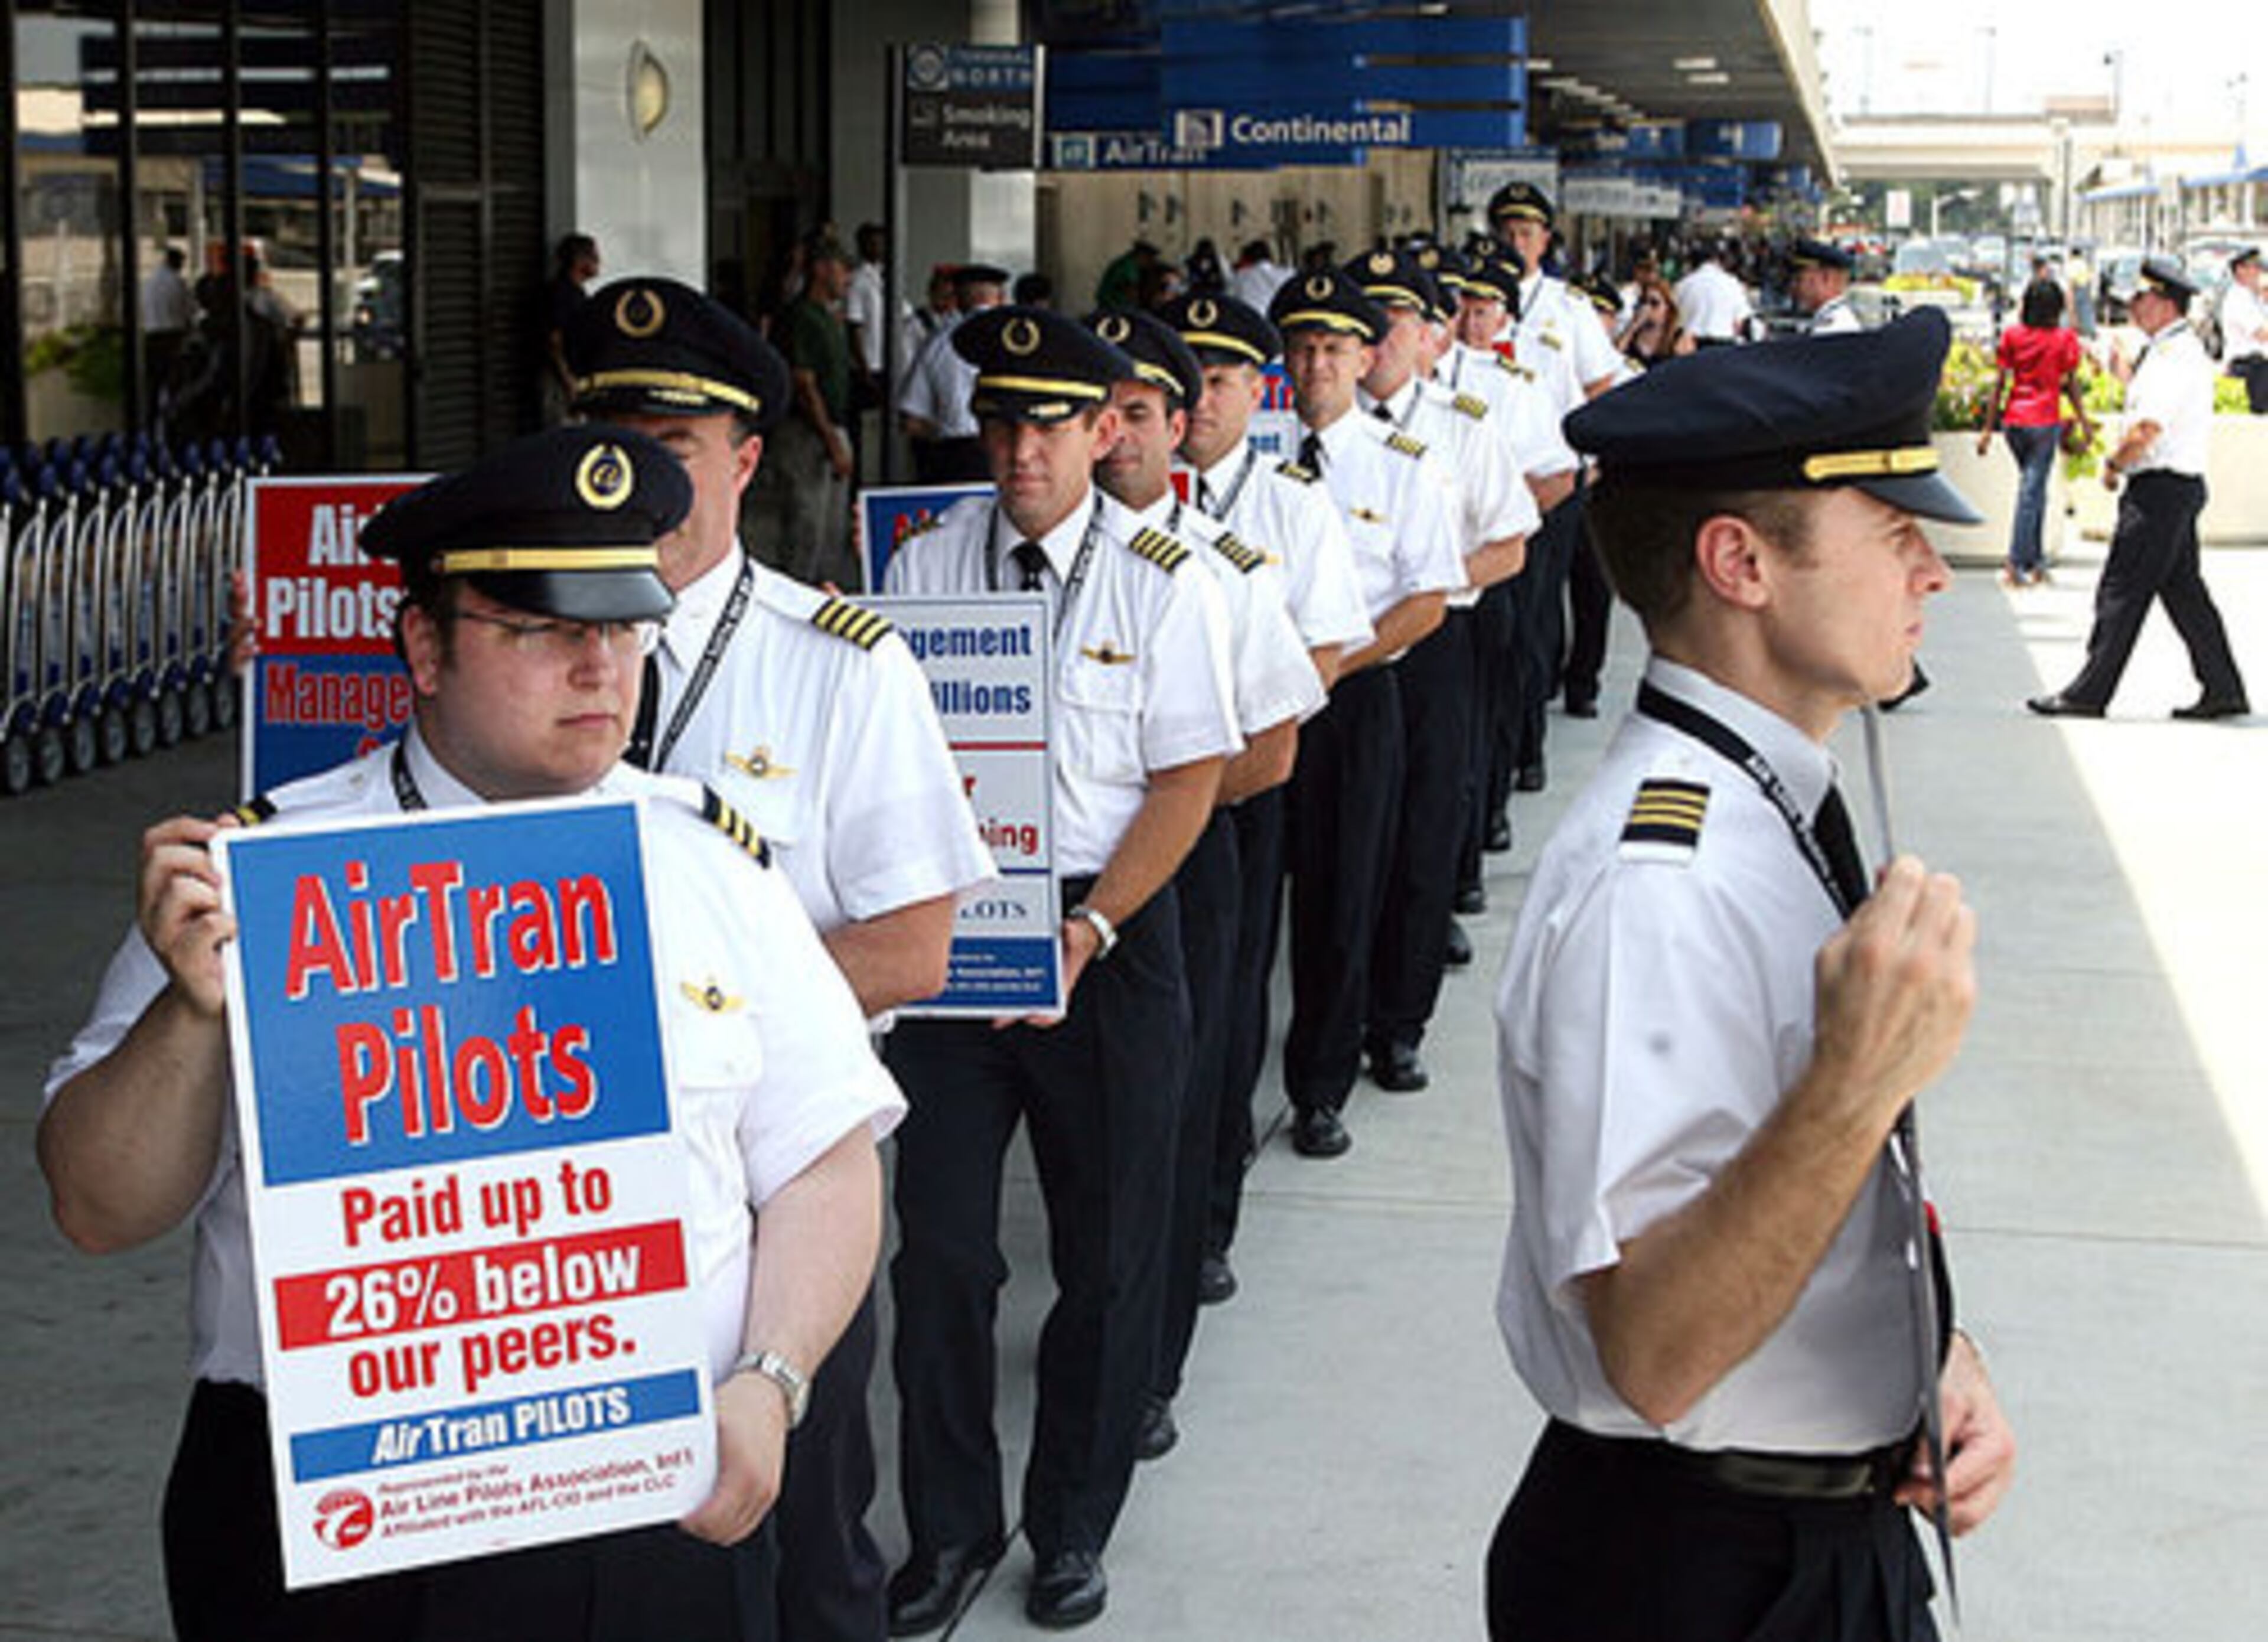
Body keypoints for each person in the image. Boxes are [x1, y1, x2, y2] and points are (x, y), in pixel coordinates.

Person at [37, 423, 902, 1642]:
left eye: (624, 625)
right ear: (425, 647)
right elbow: (97, 1204)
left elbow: (822, 1156)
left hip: (647, 1493)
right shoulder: (268, 872)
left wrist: (772, 1380)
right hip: (325, 1517)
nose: (602, 668)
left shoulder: (710, 862)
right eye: (547, 628)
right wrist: (193, 1014)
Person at [1488, 309, 2017, 1641]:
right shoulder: (1661, 882)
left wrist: (1923, 1355)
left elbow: (1777, 1192)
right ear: (1740, 563)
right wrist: (1857, 1079)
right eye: (1894, 532)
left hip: (1814, 1516)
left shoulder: (1764, 797)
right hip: (1706, 1573)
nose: (1933, 570)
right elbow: (1657, 1352)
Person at [565, 275, 994, 1642]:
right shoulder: (517, 656)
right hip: (557, 1193)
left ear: (747, 461)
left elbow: (915, 947)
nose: (634, 484)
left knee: (804, 1538)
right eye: (610, 446)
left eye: (674, 454)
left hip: (774, 1184)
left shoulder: (840, 668)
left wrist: (678, 1034)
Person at [879, 306, 1240, 1633]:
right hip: (960, 953)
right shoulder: (918, 571)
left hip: (1110, 940)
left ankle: (1073, 1524)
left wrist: (1091, 931)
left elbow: (1189, 777)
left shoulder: (1163, 579)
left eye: (1047, 423)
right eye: (999, 422)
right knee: (944, 1260)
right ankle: (950, 1529)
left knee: (1109, 1252)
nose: (1019, 449)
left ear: (1104, 431)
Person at [1081, 308, 1321, 1467]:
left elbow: (1271, 752)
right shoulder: (1003, 557)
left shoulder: (1222, 569)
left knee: (1174, 1119)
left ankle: (1147, 1367)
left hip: (1191, 853)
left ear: (1174, 429)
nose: (1114, 435)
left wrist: (1159, 796)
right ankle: (1102, 1324)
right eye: (1098, 413)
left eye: (1136, 413)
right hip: (1042, 875)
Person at [1160, 288, 1371, 1295]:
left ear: (1258, 390)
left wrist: (1243, 745)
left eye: (1218, 381)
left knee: (1232, 1006)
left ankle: (1205, 1220)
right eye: (1181, 383)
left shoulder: (1291, 504)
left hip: (1245, 785)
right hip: (1131, 800)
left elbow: (1325, 648)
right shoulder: (1124, 499)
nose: (1196, 402)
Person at [1265, 266, 1463, 1159]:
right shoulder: (1243, 466)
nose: (1314, 367)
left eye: (1333, 351)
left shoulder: (1403, 465)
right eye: (1302, 350)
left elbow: (1427, 600)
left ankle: (1318, 1087)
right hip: (1258, 714)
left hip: (1354, 702)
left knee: (1342, 903)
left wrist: (1330, 664)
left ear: (1365, 359)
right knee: (1245, 913)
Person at [1346, 246, 1533, 1090]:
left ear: (1428, 336)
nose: (1378, 340)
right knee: (1343, 857)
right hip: (1338, 661)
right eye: (1366, 325)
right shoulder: (1310, 428)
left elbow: (1510, 543)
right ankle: (1332, 1027)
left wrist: (1432, 588)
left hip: (1434, 647)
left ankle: (1397, 1026)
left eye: (1395, 324)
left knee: (1422, 840)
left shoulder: (1462, 421)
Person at [2028, 256, 2250, 722]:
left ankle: (2089, 694)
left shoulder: (2174, 357)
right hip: (2176, 489)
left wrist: (2113, 464)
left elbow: (2148, 428)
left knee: (2121, 592)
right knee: (2186, 595)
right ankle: (2223, 687)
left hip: (2159, 492)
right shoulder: (2173, 351)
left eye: (2142, 297)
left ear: (2166, 304)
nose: (2133, 305)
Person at [1979, 278, 2093, 588]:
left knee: (2035, 491)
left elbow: (1999, 384)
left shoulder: (2012, 337)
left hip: (2015, 421)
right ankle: (2017, 562)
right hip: (2044, 420)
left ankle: (2035, 560)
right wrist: (2084, 422)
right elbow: (2071, 385)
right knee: (2032, 492)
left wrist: (1988, 428)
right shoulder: (2064, 340)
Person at [770, 232, 859, 587]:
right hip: (806, 433)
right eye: (842, 270)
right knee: (806, 525)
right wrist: (831, 439)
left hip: (833, 426)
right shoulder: (800, 316)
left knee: (832, 528)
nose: (847, 279)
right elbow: (804, 385)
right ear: (822, 269)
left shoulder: (828, 317)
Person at [899, 263, 1009, 481]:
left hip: (952, 457)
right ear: (1001, 297)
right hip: (1005, 451)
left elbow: (911, 421)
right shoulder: (1015, 342)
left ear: (957, 299)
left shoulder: (937, 344)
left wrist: (944, 430)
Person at [539, 233, 602, 427]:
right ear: (579, 260)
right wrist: (568, 380)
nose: (599, 262)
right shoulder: (562, 294)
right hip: (562, 379)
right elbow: (555, 341)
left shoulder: (577, 293)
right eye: (594, 257)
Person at [141, 245, 198, 416]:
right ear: (177, 263)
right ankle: (171, 419)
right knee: (174, 383)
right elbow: (190, 310)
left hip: (152, 336)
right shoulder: (177, 282)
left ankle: (150, 421)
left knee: (153, 385)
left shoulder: (149, 283)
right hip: (173, 337)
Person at [1672, 237, 1755, 347]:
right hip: (1723, 344)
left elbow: (1673, 319)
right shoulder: (1732, 284)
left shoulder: (1682, 285)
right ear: (1717, 260)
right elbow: (1742, 323)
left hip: (1690, 345)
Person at [2220, 246, 2268, 414]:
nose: (2259, 273)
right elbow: (2262, 333)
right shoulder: (2238, 298)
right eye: (2254, 267)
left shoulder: (2254, 298)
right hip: (2249, 366)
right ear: (2240, 270)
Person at [1617, 272, 1695, 367]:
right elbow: (1615, 357)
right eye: (1643, 302)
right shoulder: (1633, 334)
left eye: (1654, 303)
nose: (1647, 308)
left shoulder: (1678, 337)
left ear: (1668, 308)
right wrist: (1633, 327)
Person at [1790, 237, 1862, 335]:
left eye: (1800, 280)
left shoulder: (1834, 327)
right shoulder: (1827, 318)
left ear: (1826, 278)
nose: (1794, 287)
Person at [1228, 238, 1292, 312]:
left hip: (1249, 320)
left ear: (1247, 260)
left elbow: (1229, 300)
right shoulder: (1288, 274)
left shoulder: (1240, 278)